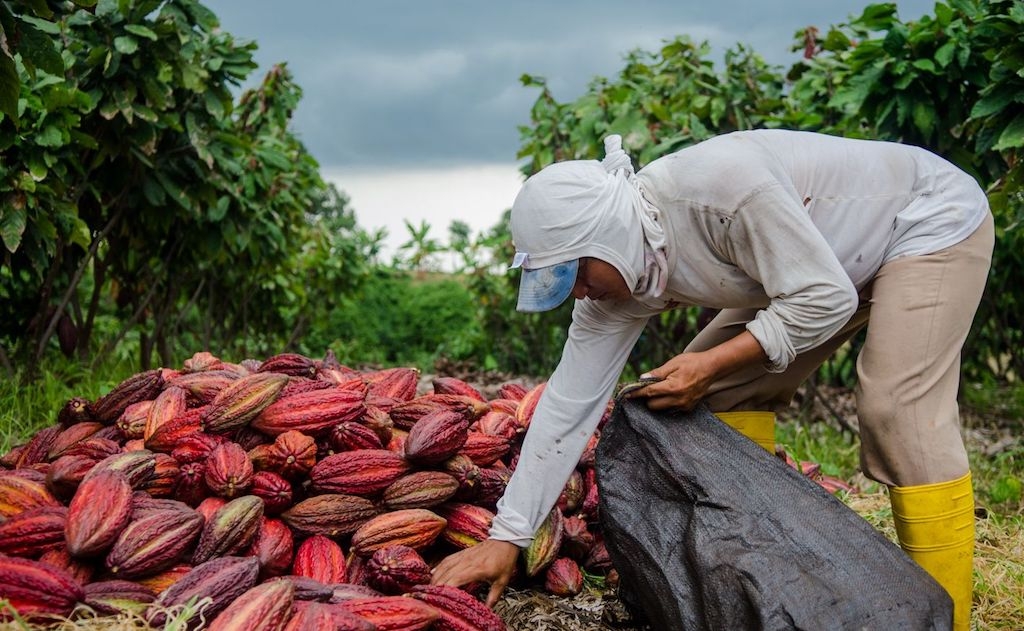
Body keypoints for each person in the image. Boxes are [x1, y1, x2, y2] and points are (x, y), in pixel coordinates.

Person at [429, 129, 993, 631]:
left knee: (896, 411)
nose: (575, 292)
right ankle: (769, 576)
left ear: (605, 237)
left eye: (572, 273)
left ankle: (944, 613)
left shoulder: (720, 192)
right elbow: (568, 405)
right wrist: (509, 537)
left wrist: (709, 364)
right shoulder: (618, 279)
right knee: (709, 403)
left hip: (924, 222)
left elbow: (825, 298)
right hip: (820, 266)